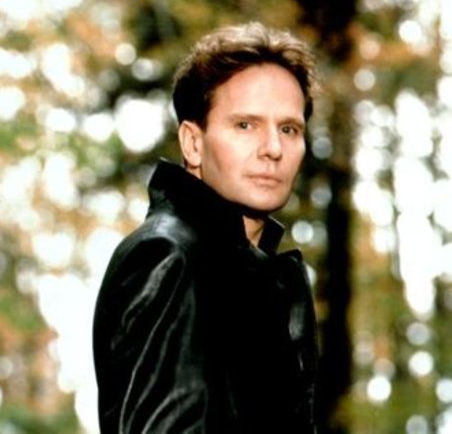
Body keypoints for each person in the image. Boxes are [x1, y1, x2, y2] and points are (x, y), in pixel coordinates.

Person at [93, 21, 319, 433]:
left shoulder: (251, 271)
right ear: (192, 143)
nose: (273, 149)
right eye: (245, 125)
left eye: (289, 129)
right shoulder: (168, 256)